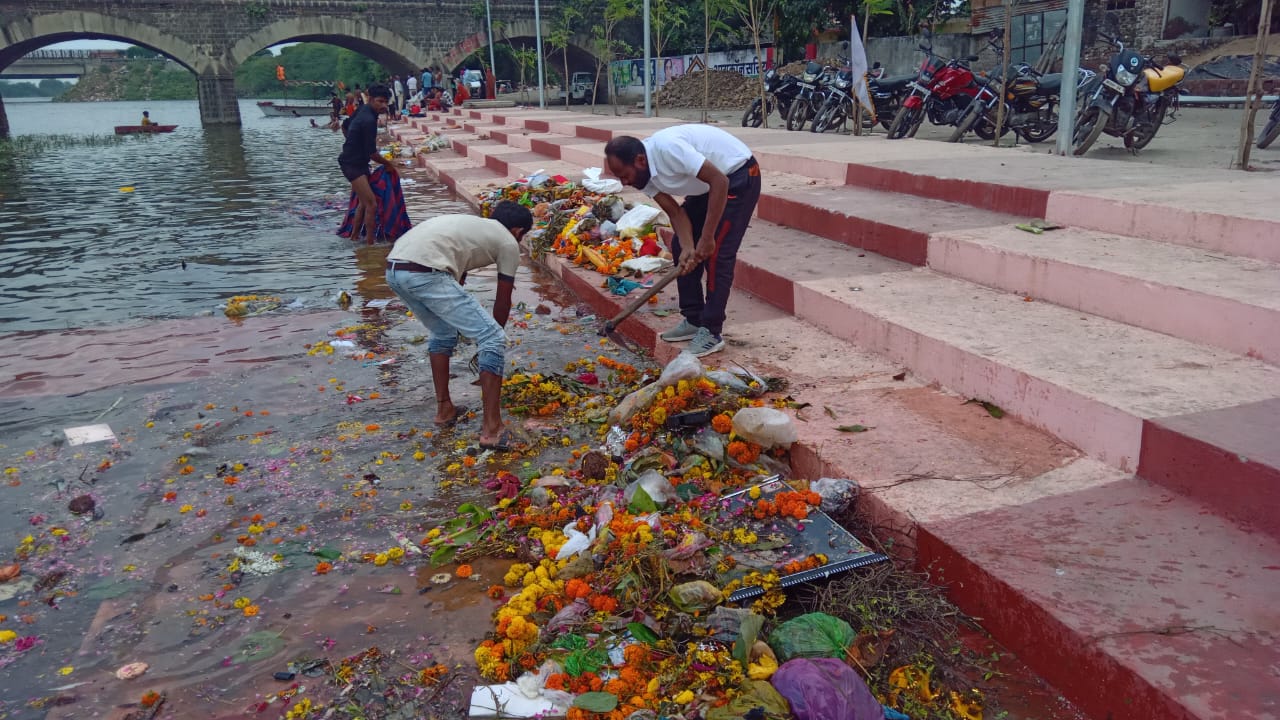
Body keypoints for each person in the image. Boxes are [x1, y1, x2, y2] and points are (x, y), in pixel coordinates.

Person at [384, 201, 534, 450]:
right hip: (424, 270)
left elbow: (457, 281)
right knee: (493, 337)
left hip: (394, 268)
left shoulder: (472, 226)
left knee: (443, 331)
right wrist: (490, 344)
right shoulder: (508, 242)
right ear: (518, 232)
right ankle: (492, 429)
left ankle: (445, 410)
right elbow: (503, 299)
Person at [604, 126, 762, 358]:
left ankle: (711, 331)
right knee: (680, 246)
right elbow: (676, 213)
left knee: (717, 255)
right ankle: (694, 318)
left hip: (737, 176)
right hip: (708, 187)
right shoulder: (643, 175)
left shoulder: (668, 148)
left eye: (624, 175)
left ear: (639, 160)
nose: (625, 182)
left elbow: (719, 181)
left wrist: (707, 238)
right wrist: (689, 246)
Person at [338, 84, 397, 245]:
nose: (383, 106)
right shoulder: (369, 120)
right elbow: (372, 153)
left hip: (358, 161)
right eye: (380, 101)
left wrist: (351, 142)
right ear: (371, 100)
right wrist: (388, 164)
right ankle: (370, 245)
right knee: (371, 203)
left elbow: (345, 126)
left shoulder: (364, 109)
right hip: (351, 164)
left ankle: (355, 237)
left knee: (364, 203)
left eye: (386, 102)